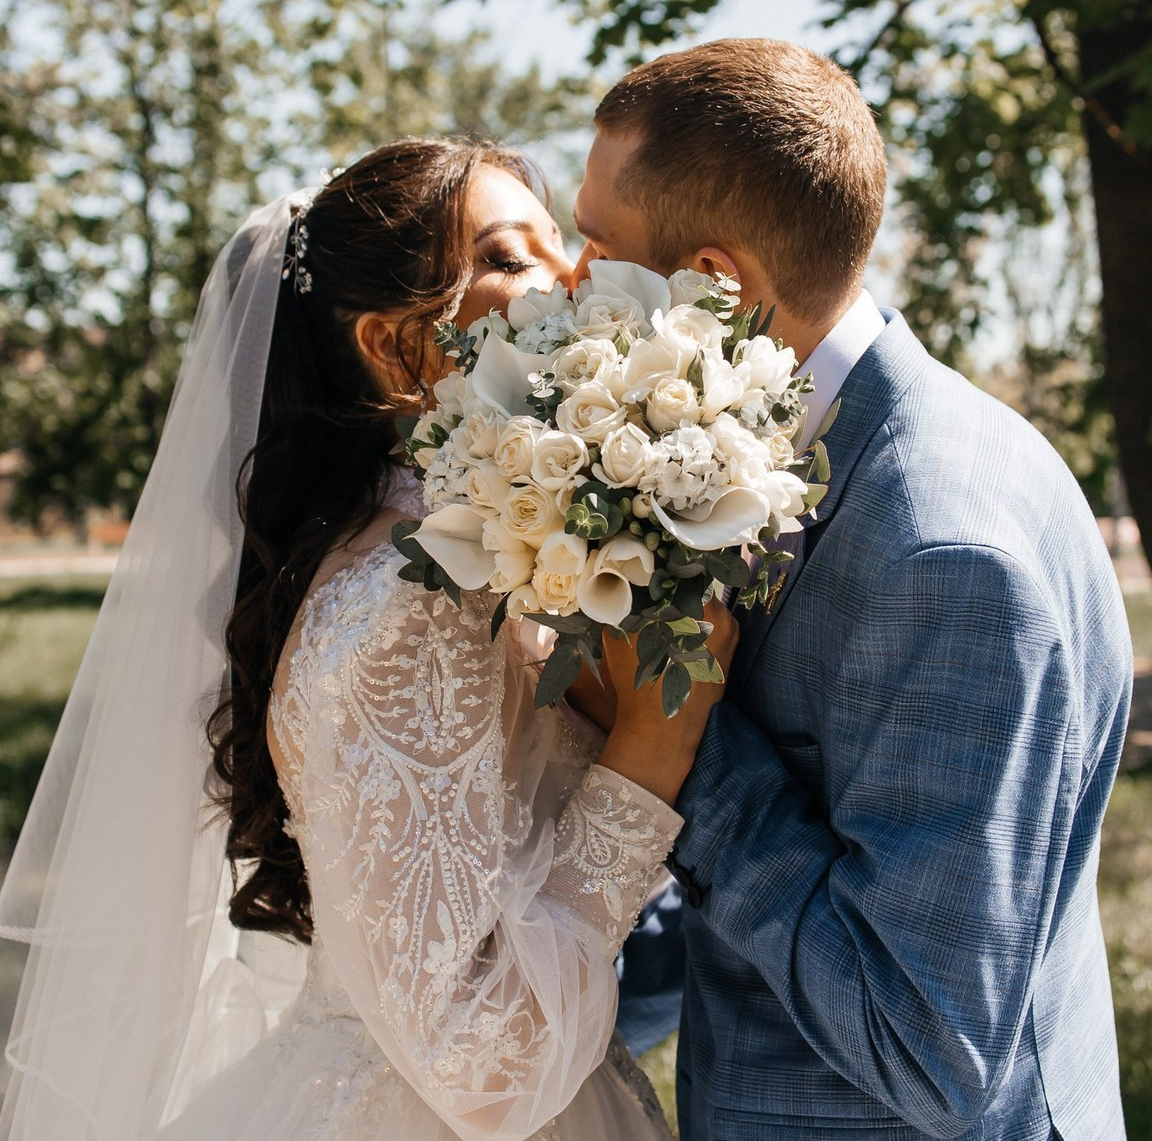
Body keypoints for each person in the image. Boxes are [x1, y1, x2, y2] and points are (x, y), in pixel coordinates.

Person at [0, 137, 735, 1141]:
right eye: (509, 258)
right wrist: (647, 756)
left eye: (557, 242)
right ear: (394, 347)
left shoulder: (455, 553)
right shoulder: (410, 597)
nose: (571, 276)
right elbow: (477, 1072)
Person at [570, 38, 1133, 1140]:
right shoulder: (793, 448)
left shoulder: (944, 556)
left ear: (712, 286)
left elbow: (929, 1046)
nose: (568, 280)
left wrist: (677, 742)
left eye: (596, 245)